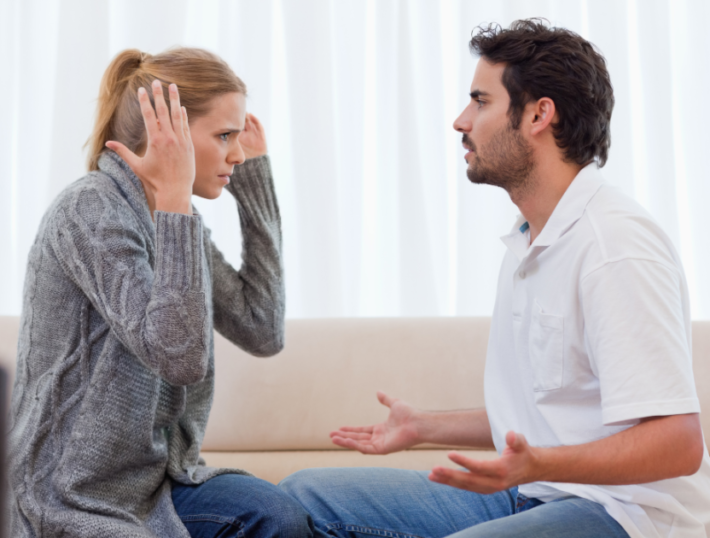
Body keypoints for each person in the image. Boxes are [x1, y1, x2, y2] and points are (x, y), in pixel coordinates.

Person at [280, 19, 710, 538]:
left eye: (480, 101)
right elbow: (547, 409)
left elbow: (679, 444)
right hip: (532, 495)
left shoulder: (614, 247)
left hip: (624, 514)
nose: (461, 121)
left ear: (538, 114)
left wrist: (540, 465)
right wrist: (424, 427)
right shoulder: (530, 238)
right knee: (303, 496)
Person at [8, 48, 315, 537]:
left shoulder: (178, 223)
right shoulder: (91, 210)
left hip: (156, 483)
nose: (237, 154)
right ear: (164, 136)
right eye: (223, 136)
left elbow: (263, 328)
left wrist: (253, 187)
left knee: (276, 516)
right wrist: (176, 200)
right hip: (70, 495)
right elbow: (178, 355)